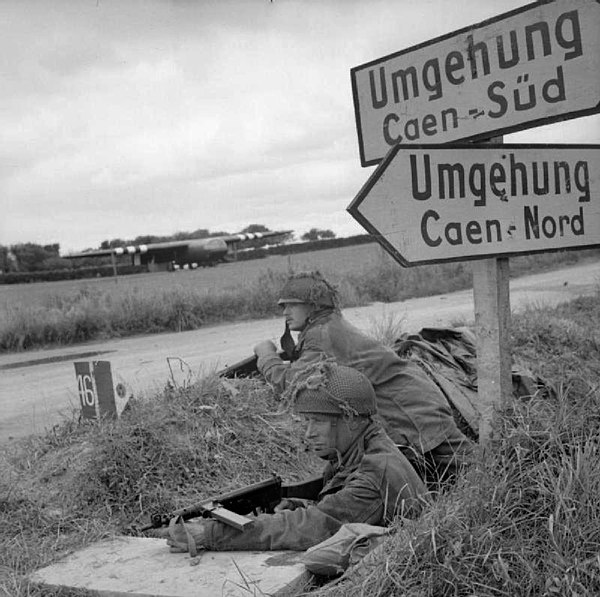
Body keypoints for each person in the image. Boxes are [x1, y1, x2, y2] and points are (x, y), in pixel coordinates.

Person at [164, 363, 427, 554]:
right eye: (306, 421)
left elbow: (311, 528)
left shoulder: (372, 474)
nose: (308, 433)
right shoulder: (361, 450)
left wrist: (210, 534)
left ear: (350, 420)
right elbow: (332, 508)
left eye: (317, 422)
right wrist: (294, 504)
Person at [253, 271, 473, 486]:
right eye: (283, 306)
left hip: (412, 416)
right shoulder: (328, 327)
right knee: (459, 475)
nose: (285, 311)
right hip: (417, 411)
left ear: (314, 305)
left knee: (472, 472)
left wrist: (266, 355)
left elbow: (291, 384)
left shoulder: (322, 334)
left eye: (292, 304)